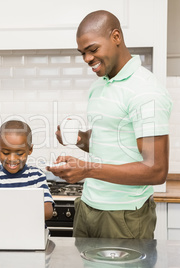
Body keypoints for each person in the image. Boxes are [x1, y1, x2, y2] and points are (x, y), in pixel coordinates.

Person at [47, 10, 172, 239]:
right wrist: (81, 138)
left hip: (124, 217)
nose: (86, 59)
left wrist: (86, 169)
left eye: (92, 50)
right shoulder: (100, 86)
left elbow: (156, 170)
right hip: (88, 207)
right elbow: (110, 141)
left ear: (116, 37)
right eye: (82, 53)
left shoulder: (145, 91)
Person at [0, 120, 54, 220]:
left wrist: (7, 210)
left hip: (31, 234)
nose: (12, 159)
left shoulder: (37, 176)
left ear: (30, 150)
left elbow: (48, 212)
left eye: (19, 153)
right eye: (6, 152)